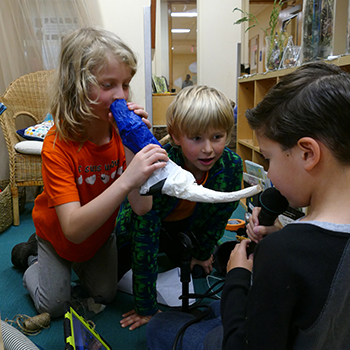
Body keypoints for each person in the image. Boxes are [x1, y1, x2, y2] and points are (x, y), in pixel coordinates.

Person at [146, 61, 350, 349]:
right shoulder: (291, 245)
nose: (269, 173)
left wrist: (238, 278)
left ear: (307, 154)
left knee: (160, 327)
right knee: (213, 311)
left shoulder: (283, 253)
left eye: (268, 159)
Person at [10, 26, 168, 318]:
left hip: (98, 236)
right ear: (77, 88)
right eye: (108, 85)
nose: (121, 96)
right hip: (59, 237)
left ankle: (76, 267)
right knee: (53, 305)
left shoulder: (121, 136)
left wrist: (135, 144)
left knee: (104, 295)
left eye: (126, 84)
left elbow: (142, 207)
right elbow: (72, 228)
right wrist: (126, 179)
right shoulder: (57, 146)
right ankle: (32, 257)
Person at [116, 85, 243, 330]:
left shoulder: (231, 166)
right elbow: (145, 235)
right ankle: (35, 248)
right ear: (175, 136)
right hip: (140, 227)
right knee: (113, 276)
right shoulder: (158, 169)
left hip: (184, 226)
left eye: (217, 137)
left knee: (199, 269)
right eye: (196, 138)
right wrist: (146, 307)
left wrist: (203, 251)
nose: (208, 149)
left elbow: (220, 214)